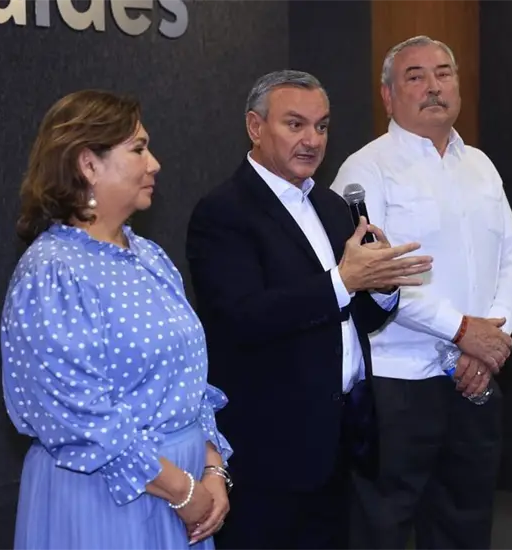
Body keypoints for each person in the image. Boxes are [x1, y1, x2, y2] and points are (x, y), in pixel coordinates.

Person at [184, 70, 433, 550]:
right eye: (295, 124)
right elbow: (242, 317)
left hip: (339, 439)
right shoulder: (224, 213)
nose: (311, 140)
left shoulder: (333, 206)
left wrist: (380, 289)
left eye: (321, 126)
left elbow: (348, 316)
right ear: (255, 128)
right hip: (270, 447)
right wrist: (345, 280)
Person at [0, 90, 233, 550]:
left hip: (181, 494)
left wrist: (212, 467)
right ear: (88, 164)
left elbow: (189, 381)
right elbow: (77, 415)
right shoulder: (52, 271)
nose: (155, 164)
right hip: (104, 502)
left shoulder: (150, 257)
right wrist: (180, 489)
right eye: (139, 149)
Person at [330, 36, 512, 550]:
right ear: (388, 95)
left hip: (475, 379)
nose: (434, 86)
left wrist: (492, 335)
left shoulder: (481, 165)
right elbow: (374, 277)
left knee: (466, 523)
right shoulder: (364, 170)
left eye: (444, 73)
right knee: (383, 529)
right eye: (415, 76)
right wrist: (463, 330)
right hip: (397, 386)